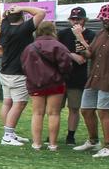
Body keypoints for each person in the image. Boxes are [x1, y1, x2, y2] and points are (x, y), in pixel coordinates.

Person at [21, 21, 79, 151]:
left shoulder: (30, 47)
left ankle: (37, 143)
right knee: (54, 114)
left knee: (37, 113)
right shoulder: (59, 46)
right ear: (54, 30)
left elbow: (24, 66)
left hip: (36, 84)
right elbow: (66, 65)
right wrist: (62, 76)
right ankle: (53, 144)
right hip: (56, 84)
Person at [0, 4, 47, 146]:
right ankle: (7, 135)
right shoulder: (23, 29)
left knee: (7, 102)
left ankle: (9, 133)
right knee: (19, 103)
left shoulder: (5, 27)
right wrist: (22, 7)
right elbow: (41, 12)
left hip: (5, 70)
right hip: (18, 72)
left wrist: (11, 11)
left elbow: (4, 17)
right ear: (22, 16)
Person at [73, 3, 109, 157]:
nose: (105, 20)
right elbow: (90, 53)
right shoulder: (101, 34)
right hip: (94, 77)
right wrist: (81, 41)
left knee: (104, 112)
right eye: (103, 18)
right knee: (86, 110)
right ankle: (93, 141)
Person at [58, 7, 96, 145]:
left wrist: (80, 40)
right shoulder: (62, 33)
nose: (75, 21)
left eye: (78, 19)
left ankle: (70, 136)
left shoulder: (91, 34)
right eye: (73, 19)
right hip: (60, 76)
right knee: (55, 108)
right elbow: (55, 50)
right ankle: (52, 134)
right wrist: (71, 54)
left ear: (84, 20)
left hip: (78, 77)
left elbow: (91, 53)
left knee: (74, 108)